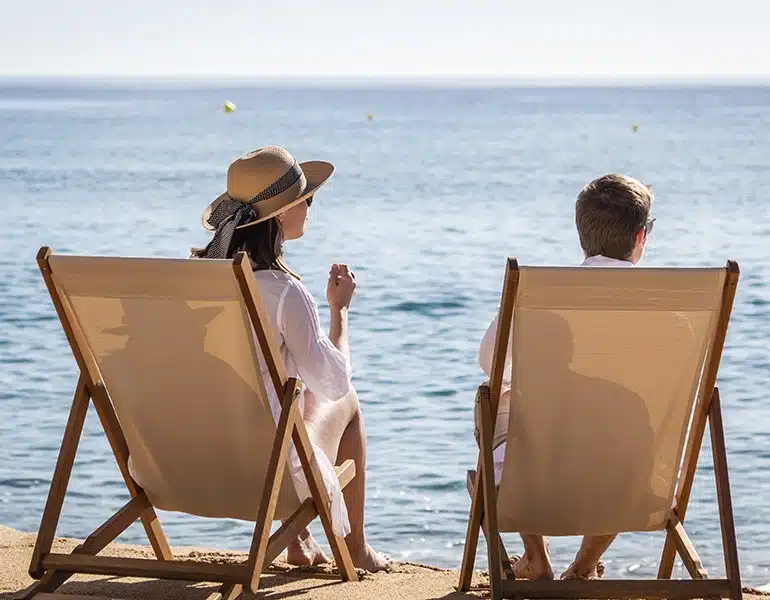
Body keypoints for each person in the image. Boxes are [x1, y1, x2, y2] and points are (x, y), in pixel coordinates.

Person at [192, 145, 390, 572]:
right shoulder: (283, 293)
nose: (310, 208)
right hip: (269, 476)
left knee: (276, 394)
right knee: (344, 400)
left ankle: (298, 540)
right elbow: (334, 383)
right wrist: (340, 313)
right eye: (307, 199)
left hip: (191, 463)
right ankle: (355, 550)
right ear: (280, 213)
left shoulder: (198, 285)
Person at [475, 173, 655, 580]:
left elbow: (491, 361)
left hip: (538, 481)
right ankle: (586, 563)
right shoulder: (669, 310)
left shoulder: (538, 295)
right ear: (641, 236)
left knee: (496, 402)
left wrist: (536, 386)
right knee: (629, 420)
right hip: (627, 484)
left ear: (581, 234)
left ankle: (536, 555)